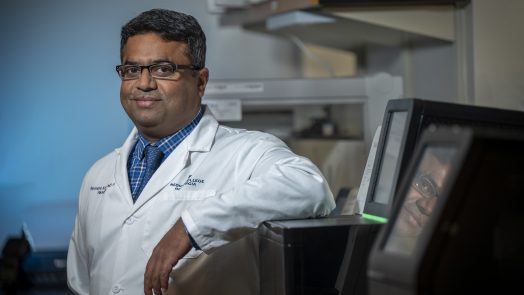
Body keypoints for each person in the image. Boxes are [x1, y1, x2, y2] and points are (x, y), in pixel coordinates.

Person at [66, 8, 335, 295]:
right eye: (132, 70)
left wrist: (191, 227)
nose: (144, 84)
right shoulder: (98, 175)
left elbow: (310, 188)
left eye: (163, 69)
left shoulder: (245, 153)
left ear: (201, 81)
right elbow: (81, 282)